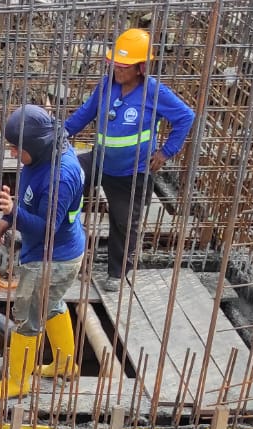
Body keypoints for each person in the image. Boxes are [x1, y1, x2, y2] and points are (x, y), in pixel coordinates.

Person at [63, 28, 196, 293]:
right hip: (100, 161)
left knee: (123, 224)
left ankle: (117, 272)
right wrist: (61, 134)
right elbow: (85, 113)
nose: (117, 70)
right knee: (64, 177)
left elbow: (186, 117)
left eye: (123, 67)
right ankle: (61, 247)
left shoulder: (154, 92)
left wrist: (166, 151)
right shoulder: (107, 84)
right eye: (114, 64)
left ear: (141, 68)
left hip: (130, 173)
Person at [0, 106, 86, 400]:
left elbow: (46, 228)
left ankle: (17, 382)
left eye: (16, 149)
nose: (13, 155)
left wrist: (13, 211)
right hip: (58, 253)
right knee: (51, 304)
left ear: (35, 145)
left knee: (27, 318)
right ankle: (65, 365)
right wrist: (8, 219)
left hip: (53, 258)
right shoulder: (45, 154)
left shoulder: (60, 177)